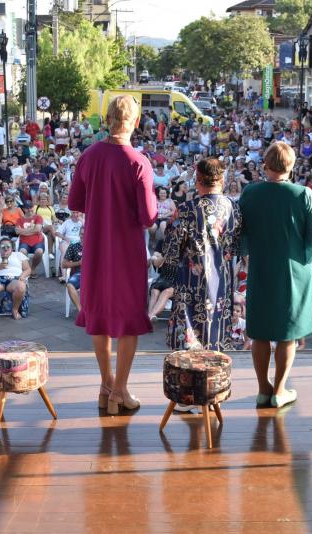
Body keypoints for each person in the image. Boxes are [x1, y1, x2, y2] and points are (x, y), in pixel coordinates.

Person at [68, 95, 157, 415]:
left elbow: (75, 202)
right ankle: (120, 391)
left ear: (106, 120)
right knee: (130, 320)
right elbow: (148, 217)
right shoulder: (138, 162)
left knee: (100, 317)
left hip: (95, 248)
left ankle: (106, 386)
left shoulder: (88, 156)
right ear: (135, 122)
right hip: (127, 252)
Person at [239, 142, 312, 408]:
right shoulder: (303, 195)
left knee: (260, 331)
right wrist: (306, 259)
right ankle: (279, 389)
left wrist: (247, 252)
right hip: (293, 271)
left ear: (265, 165)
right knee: (287, 333)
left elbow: (240, 231)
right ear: (292, 165)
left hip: (261, 267)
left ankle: (263, 388)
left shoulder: (250, 193)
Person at [161, 157, 242, 351]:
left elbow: (171, 249)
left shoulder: (186, 209)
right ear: (221, 180)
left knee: (188, 346)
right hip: (222, 280)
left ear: (198, 180)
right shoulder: (234, 209)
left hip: (191, 282)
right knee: (216, 339)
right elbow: (236, 247)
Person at [61, 226, 84, 312]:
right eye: (81, 234)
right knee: (70, 285)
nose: (83, 236)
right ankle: (81, 311)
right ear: (79, 234)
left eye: (85, 234)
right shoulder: (74, 246)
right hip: (80, 274)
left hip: (95, 274)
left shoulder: (95, 246)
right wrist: (78, 263)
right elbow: (64, 264)